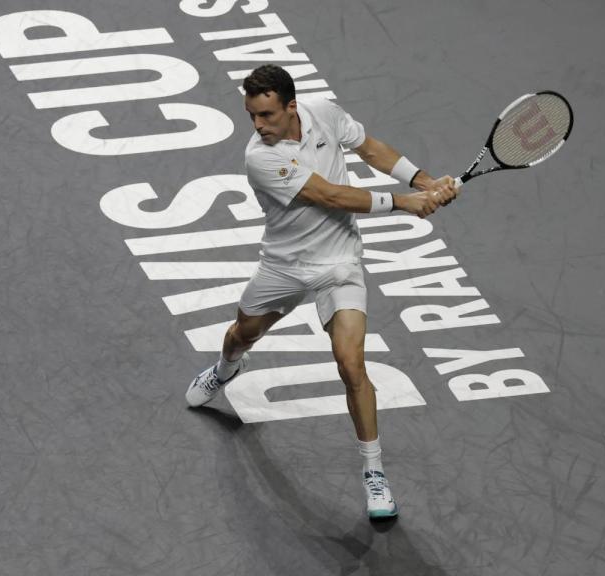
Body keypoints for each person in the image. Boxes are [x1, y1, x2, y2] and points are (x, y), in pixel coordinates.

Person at [186, 64, 458, 519]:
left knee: (351, 364)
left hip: (339, 264)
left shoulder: (324, 114)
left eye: (266, 115)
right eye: (251, 115)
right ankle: (225, 369)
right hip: (284, 267)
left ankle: (374, 473)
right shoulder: (260, 157)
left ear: (292, 106)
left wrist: (424, 181)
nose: (257, 125)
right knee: (241, 334)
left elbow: (370, 148)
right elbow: (330, 196)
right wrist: (403, 203)